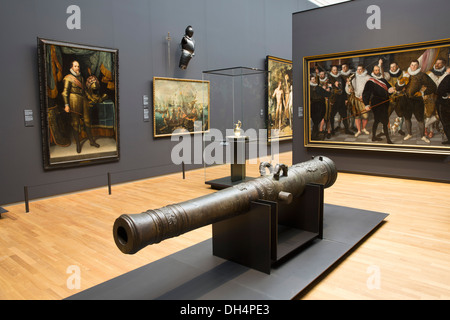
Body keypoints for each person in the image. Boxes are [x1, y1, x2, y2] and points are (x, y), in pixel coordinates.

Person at [62, 60, 99, 153]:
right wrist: (66, 105)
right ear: (71, 68)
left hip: (83, 100)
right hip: (74, 99)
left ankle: (91, 141)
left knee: (87, 121)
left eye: (78, 66)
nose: (77, 68)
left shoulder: (81, 78)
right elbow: (64, 93)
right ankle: (78, 144)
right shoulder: (68, 78)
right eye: (75, 66)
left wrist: (91, 98)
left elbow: (84, 90)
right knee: (75, 123)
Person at [403, 60, 437, 143]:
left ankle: (422, 136)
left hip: (417, 101)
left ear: (418, 66)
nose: (413, 67)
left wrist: (422, 92)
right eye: (412, 65)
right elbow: (398, 86)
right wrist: (400, 84)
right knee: (407, 118)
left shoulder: (422, 75)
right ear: (410, 65)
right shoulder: (406, 75)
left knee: (420, 119)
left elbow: (433, 86)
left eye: (415, 65)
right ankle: (409, 134)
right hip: (407, 100)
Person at [362, 65, 396, 144]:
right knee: (385, 120)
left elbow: (389, 88)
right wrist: (366, 104)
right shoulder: (370, 81)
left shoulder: (383, 80)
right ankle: (388, 139)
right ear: (373, 71)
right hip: (377, 103)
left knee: (377, 120)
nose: (377, 71)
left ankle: (374, 137)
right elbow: (366, 94)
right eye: (376, 70)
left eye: (378, 70)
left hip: (385, 102)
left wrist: (392, 90)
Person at [346, 64, 370, 137]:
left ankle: (363, 128)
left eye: (360, 69)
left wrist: (364, 96)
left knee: (365, 116)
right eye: (357, 69)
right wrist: (349, 89)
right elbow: (349, 88)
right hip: (356, 99)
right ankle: (359, 130)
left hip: (364, 99)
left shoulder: (368, 77)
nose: (358, 71)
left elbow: (371, 89)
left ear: (363, 70)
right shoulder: (354, 77)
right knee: (357, 116)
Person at [425, 58, 447, 138]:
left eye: (439, 63)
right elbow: (436, 84)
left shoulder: (446, 73)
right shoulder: (430, 73)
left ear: (443, 65)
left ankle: (425, 125)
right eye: (436, 63)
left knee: (438, 115)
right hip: (431, 96)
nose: (437, 65)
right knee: (430, 114)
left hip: (442, 97)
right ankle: (431, 131)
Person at [329, 65, 353, 135]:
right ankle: (332, 130)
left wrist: (345, 99)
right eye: (334, 70)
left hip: (341, 100)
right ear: (331, 71)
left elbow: (344, 89)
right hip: (334, 100)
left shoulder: (341, 78)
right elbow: (328, 90)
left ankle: (346, 130)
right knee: (331, 116)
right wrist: (334, 85)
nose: (335, 71)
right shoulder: (329, 79)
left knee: (344, 116)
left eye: (336, 70)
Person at [386, 62, 406, 135]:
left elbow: (406, 84)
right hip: (390, 98)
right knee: (386, 114)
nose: (392, 68)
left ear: (397, 66)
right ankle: (384, 129)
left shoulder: (402, 74)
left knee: (400, 114)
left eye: (394, 67)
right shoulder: (387, 75)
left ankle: (400, 129)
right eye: (391, 67)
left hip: (399, 98)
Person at [310, 75, 331, 140]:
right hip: (319, 106)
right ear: (310, 80)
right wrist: (329, 88)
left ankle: (314, 135)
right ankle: (314, 135)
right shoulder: (317, 88)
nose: (314, 80)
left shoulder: (309, 87)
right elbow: (327, 94)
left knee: (315, 122)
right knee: (316, 122)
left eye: (314, 79)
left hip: (313, 105)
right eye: (313, 79)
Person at [436, 67, 450, 145]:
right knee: (446, 123)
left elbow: (440, 91)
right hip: (444, 103)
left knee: (446, 123)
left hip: (445, 104)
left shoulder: (447, 77)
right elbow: (440, 90)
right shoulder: (447, 77)